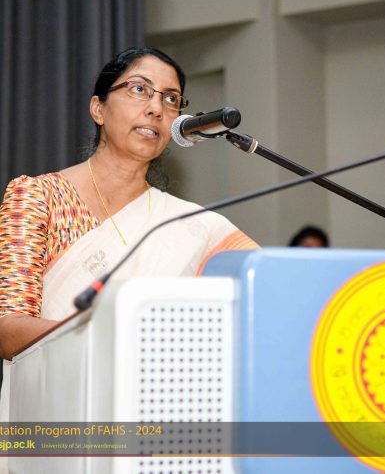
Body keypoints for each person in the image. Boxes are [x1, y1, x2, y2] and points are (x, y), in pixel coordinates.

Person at [0, 47, 258, 362]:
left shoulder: (194, 226)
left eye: (171, 99)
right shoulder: (40, 196)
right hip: (60, 388)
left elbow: (267, 292)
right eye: (139, 89)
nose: (156, 108)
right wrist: (118, 335)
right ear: (98, 109)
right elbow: (9, 330)